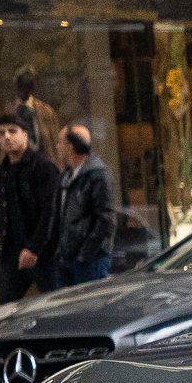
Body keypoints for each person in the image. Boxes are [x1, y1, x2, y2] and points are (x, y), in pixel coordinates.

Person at [0, 112, 62, 304]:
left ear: (25, 135)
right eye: (1, 133)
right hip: (11, 252)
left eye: (12, 131)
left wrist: (34, 248)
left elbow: (50, 212)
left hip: (43, 253)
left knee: (56, 304)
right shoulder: (2, 172)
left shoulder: (43, 168)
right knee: (5, 307)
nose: (6, 137)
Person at [53, 123, 116, 287]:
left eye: (60, 143)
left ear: (70, 147)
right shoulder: (66, 176)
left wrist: (85, 254)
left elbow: (106, 220)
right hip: (66, 258)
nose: (57, 147)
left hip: (90, 261)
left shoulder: (97, 174)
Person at [11, 67, 63, 166]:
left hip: (42, 168)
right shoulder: (7, 112)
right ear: (16, 84)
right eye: (22, 82)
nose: (26, 86)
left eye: (30, 82)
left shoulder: (46, 112)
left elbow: (55, 144)